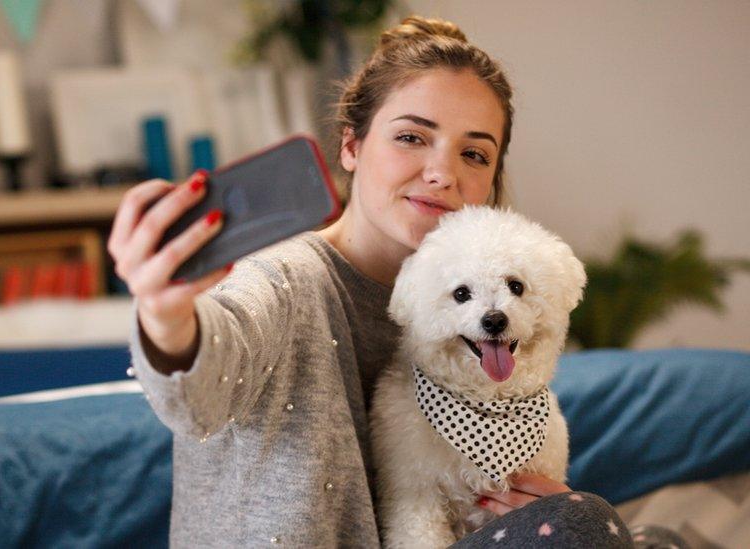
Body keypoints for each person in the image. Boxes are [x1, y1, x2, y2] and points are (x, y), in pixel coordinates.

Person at [109, 15, 689, 549]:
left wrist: (549, 519)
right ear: (352, 145)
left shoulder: (501, 318)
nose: (442, 172)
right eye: (412, 137)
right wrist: (165, 314)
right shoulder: (285, 280)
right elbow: (201, 383)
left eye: (475, 154)